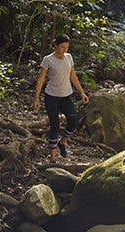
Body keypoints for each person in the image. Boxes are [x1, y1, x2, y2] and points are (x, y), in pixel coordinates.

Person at [33, 34, 89, 162]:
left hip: (66, 96)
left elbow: (73, 77)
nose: (65, 50)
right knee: (55, 127)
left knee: (73, 120)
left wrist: (82, 93)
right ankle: (53, 159)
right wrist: (36, 98)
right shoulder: (48, 59)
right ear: (56, 46)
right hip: (51, 97)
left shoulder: (68, 58)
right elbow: (41, 79)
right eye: (62, 47)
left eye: (67, 47)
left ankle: (62, 142)